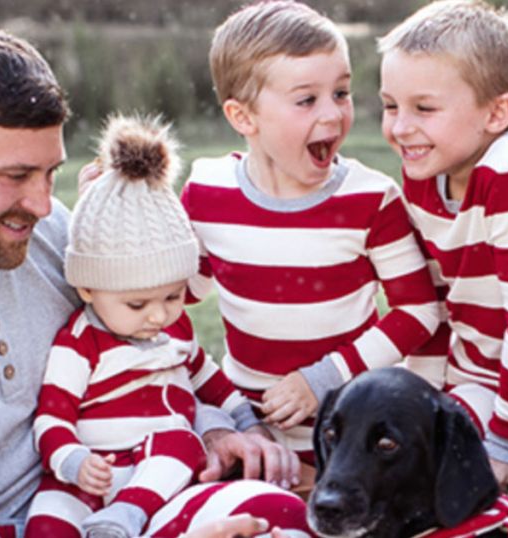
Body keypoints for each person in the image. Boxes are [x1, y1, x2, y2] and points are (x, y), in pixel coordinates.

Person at [0, 26, 305, 538]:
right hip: (23, 524)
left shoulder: (52, 237)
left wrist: (213, 428)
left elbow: (146, 355)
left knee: (276, 515)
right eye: (16, 176)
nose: (44, 204)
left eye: (50, 173)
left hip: (130, 496)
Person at [181, 0, 440, 465]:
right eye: (306, 100)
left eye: (341, 93)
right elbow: (175, 299)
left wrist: (325, 378)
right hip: (250, 434)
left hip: (354, 437)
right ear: (244, 118)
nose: (334, 115)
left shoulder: (370, 198)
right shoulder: (207, 192)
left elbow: (419, 311)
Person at [24, 115, 286, 537]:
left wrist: (248, 424)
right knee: (50, 512)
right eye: (137, 303)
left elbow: (213, 382)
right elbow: (52, 416)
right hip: (91, 470)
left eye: (173, 296)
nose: (158, 316)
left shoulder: (175, 330)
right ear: (88, 289)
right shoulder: (81, 342)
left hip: (155, 474)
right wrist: (71, 459)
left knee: (183, 443)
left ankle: (125, 518)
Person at [377, 0, 508, 492]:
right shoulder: (425, 169)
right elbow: (437, 302)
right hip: (477, 374)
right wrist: (419, 401)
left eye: (424, 108)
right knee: (388, 445)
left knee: (437, 478)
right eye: (390, 105)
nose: (401, 127)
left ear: (496, 113)